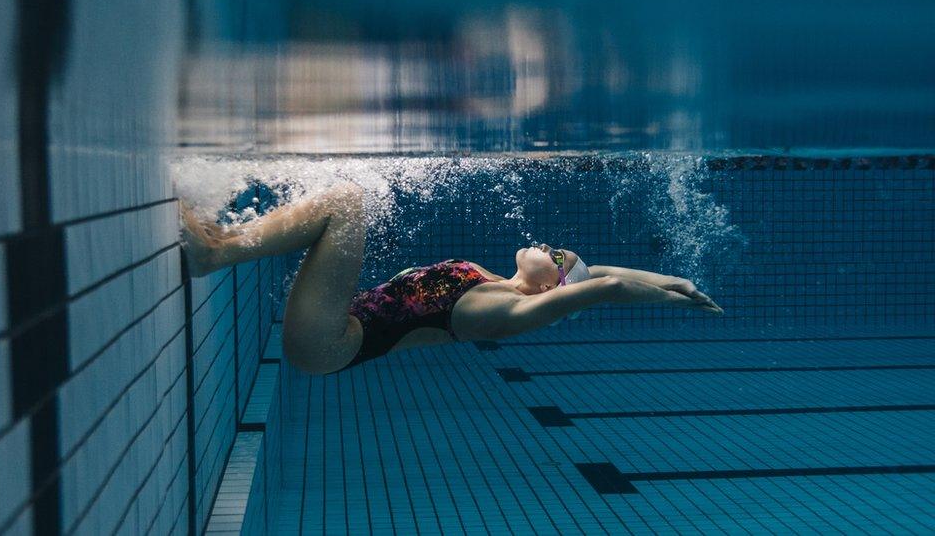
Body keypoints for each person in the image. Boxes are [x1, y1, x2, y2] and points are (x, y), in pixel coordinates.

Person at [181, 182, 722, 375]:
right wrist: (674, 277)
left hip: (328, 343)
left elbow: (599, 286)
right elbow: (598, 272)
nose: (546, 245)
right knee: (343, 201)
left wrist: (673, 303)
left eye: (553, 255)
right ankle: (222, 241)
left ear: (548, 288)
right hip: (336, 323)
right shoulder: (495, 279)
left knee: (346, 201)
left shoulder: (506, 312)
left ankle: (216, 253)